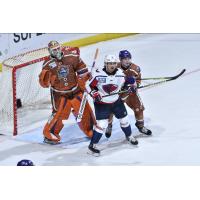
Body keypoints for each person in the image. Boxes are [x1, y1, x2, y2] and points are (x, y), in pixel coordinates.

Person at [39, 41, 95, 144]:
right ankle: (50, 134)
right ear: (50, 51)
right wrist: (46, 80)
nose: (57, 51)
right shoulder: (47, 64)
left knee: (84, 110)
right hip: (59, 94)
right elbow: (44, 83)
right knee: (59, 114)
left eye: (58, 48)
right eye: (54, 50)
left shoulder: (72, 56)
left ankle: (90, 130)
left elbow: (82, 69)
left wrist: (84, 77)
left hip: (75, 90)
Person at [86, 55, 138, 156]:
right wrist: (94, 93)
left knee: (124, 120)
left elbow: (129, 82)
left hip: (116, 101)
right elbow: (88, 85)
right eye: (109, 63)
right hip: (101, 103)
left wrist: (131, 86)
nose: (112, 65)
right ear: (105, 64)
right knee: (102, 125)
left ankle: (129, 136)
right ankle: (92, 145)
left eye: (114, 63)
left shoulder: (120, 74)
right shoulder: (98, 75)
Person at [105, 50, 152, 138]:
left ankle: (140, 126)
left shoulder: (135, 68)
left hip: (131, 93)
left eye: (128, 58)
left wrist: (135, 86)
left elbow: (138, 81)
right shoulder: (115, 67)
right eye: (124, 59)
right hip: (118, 93)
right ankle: (109, 126)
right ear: (120, 59)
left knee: (139, 108)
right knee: (110, 110)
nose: (127, 61)